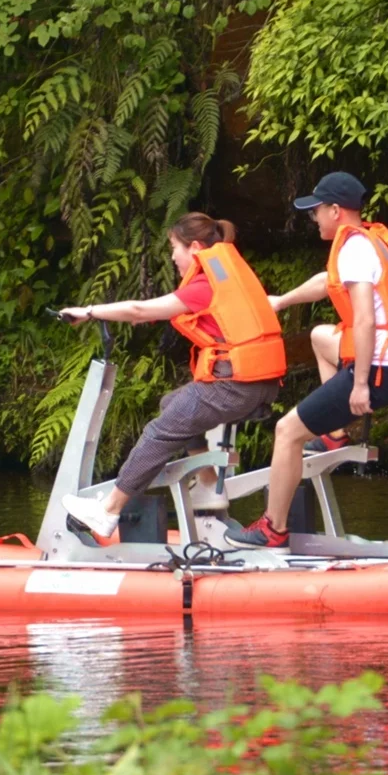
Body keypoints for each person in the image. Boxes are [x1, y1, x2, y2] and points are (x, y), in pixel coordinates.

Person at [226, 172, 388, 549]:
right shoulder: (364, 240)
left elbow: (366, 319)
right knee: (321, 337)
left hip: (386, 368)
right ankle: (334, 435)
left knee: (287, 432)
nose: (314, 218)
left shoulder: (354, 247)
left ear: (335, 210)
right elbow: (328, 281)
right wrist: (282, 301)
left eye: (317, 211)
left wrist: (360, 383)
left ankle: (273, 528)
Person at [59, 213, 285, 543]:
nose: (172, 257)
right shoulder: (227, 277)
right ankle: (207, 485)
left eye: (174, 248)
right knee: (172, 404)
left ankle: (108, 512)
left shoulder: (204, 284)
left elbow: (139, 310)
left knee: (158, 431)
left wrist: (90, 311)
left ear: (194, 248)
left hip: (233, 387)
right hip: (261, 384)